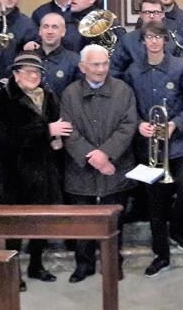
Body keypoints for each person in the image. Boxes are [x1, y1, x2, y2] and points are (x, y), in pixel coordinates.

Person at [123, 22, 183, 277]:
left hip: (179, 146)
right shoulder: (133, 71)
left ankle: (178, 229)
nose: (155, 41)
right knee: (155, 205)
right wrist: (139, 124)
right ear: (143, 41)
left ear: (166, 41)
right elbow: (128, 106)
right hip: (149, 148)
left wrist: (175, 123)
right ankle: (161, 255)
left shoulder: (180, 68)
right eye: (150, 37)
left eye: (159, 37)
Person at [60, 44, 139, 283]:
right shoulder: (70, 93)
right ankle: (83, 265)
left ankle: (112, 262)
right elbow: (68, 130)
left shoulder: (123, 90)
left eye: (105, 63)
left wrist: (106, 154)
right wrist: (91, 156)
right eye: (95, 64)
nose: (101, 69)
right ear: (83, 67)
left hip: (115, 166)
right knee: (82, 221)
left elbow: (128, 126)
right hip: (81, 170)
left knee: (114, 220)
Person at [0, 52, 70, 288]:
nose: (33, 76)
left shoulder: (48, 95)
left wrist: (57, 139)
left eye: (36, 72)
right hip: (13, 173)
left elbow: (57, 124)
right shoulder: (1, 98)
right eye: (27, 71)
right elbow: (9, 135)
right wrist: (47, 131)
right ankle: (12, 272)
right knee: (14, 227)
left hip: (42, 170)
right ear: (15, 74)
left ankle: (36, 265)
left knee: (39, 223)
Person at [23, 12, 82, 95]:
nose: (49, 31)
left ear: (63, 32)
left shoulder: (74, 62)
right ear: (40, 31)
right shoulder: (27, 59)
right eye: (45, 27)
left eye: (55, 27)